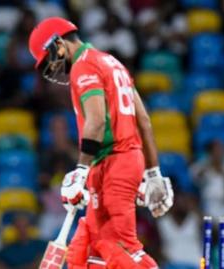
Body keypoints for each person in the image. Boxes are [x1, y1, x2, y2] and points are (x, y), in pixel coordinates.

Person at [28, 17, 174, 269]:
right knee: (88, 249)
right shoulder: (112, 62)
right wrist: (153, 174)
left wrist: (80, 172)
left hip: (114, 161)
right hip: (119, 161)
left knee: (119, 247)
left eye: (49, 58)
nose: (53, 68)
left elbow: (95, 123)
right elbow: (144, 121)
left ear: (59, 44)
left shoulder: (83, 66)